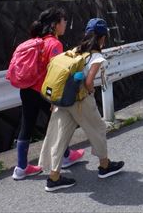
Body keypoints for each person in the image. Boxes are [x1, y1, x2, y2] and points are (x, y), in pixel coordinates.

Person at [38, 18, 124, 192]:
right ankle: (104, 166)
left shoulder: (75, 50)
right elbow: (89, 82)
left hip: (63, 100)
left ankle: (53, 177)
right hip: (80, 101)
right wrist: (90, 92)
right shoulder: (97, 56)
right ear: (102, 38)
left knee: (58, 135)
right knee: (98, 128)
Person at [12, 7, 85, 181]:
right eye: (63, 20)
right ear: (55, 24)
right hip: (44, 91)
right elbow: (57, 73)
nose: (65, 23)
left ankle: (21, 168)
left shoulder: (36, 40)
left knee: (27, 125)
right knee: (60, 123)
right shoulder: (54, 44)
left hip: (27, 89)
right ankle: (65, 157)